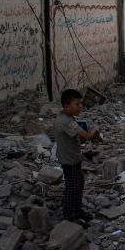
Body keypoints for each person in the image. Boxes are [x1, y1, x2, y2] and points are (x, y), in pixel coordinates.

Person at [54, 89, 99, 225]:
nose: (80, 106)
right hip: (70, 160)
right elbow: (87, 136)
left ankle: (76, 209)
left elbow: (78, 138)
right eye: (77, 104)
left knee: (78, 183)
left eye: (81, 103)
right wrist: (94, 129)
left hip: (72, 157)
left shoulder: (66, 117)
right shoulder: (67, 122)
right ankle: (69, 214)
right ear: (66, 105)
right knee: (71, 186)